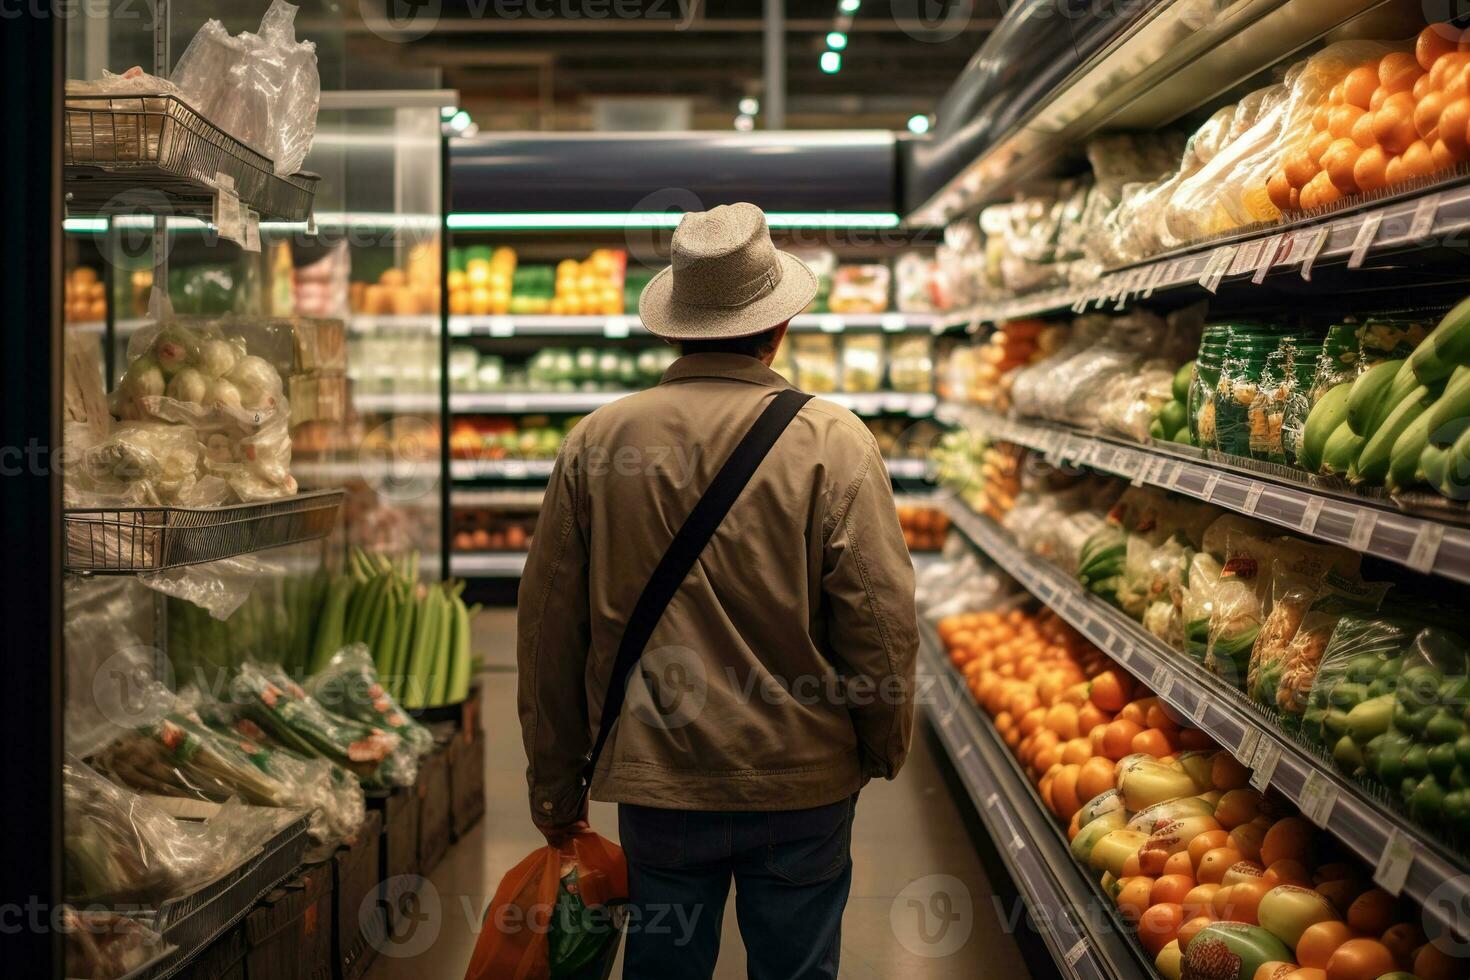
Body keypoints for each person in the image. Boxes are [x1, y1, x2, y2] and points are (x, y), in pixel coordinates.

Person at [517, 202, 919, 980]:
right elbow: (880, 619)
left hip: (661, 779)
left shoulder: (598, 442)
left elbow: (547, 632)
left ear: (674, 326)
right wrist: (880, 741)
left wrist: (554, 784)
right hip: (801, 779)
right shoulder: (834, 441)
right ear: (778, 327)